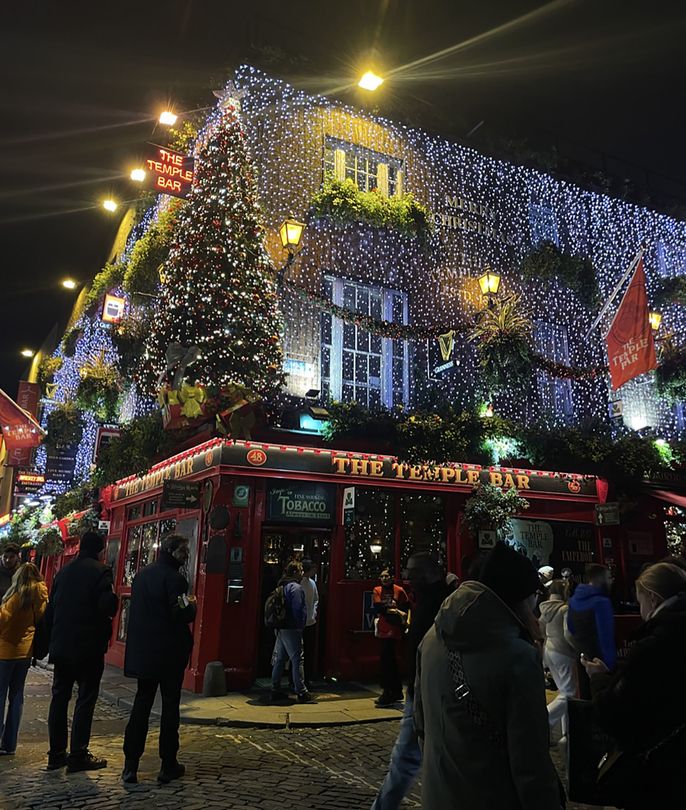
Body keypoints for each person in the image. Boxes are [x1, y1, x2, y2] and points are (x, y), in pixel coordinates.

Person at [415, 542, 562, 810]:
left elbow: (421, 723)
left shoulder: (431, 639)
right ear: (521, 598)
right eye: (533, 597)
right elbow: (530, 763)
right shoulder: (518, 657)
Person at [582, 562, 686, 810]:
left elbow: (614, 713)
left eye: (640, 602)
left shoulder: (656, 644)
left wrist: (598, 679)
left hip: (660, 774)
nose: (640, 610)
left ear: (652, 597)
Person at [371, 553, 451, 810]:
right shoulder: (433, 598)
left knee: (407, 759)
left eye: (414, 572)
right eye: (406, 571)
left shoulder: (441, 604)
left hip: (427, 692)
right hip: (422, 690)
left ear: (432, 573)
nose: (408, 578)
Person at [122, 533, 196, 785]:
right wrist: (192, 606)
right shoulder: (175, 579)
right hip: (168, 654)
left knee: (141, 706)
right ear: (172, 551)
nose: (186, 555)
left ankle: (130, 765)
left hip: (144, 653)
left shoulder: (142, 575)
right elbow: (181, 613)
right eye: (184, 551)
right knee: (169, 709)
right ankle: (168, 764)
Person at [46, 531, 118, 772]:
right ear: (100, 549)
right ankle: (78, 754)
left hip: (62, 645)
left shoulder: (63, 571)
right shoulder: (101, 571)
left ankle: (56, 754)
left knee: (59, 698)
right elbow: (106, 605)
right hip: (88, 647)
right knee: (85, 698)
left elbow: (52, 607)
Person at [0, 563, 48, 755]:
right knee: (17, 696)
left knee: (0, 695)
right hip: (25, 652)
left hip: (6, 652)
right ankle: (10, 744)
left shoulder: (15, 598)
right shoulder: (40, 596)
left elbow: (4, 622)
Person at [567, 563, 616, 698]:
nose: (611, 580)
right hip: (599, 663)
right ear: (600, 579)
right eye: (609, 577)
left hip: (581, 659)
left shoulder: (573, 600)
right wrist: (610, 670)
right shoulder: (601, 602)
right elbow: (606, 638)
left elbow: (570, 628)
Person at [540, 579, 577, 743]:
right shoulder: (564, 608)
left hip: (549, 650)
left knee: (563, 692)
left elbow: (540, 628)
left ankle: (566, 733)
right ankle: (545, 721)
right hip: (563, 652)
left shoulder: (545, 609)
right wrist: (577, 648)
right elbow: (568, 634)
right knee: (569, 693)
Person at [270, 561, 312, 704]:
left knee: (280, 659)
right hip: (292, 628)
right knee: (297, 659)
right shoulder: (296, 588)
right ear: (294, 572)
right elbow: (297, 609)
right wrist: (300, 625)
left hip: (281, 627)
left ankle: (275, 689)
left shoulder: (283, 585)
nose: (302, 573)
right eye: (300, 571)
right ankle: (302, 691)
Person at [372, 569, 409, 708]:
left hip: (394, 629)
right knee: (388, 659)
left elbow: (407, 606)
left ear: (392, 577)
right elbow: (379, 608)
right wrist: (397, 611)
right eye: (381, 576)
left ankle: (389, 691)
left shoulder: (399, 590)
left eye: (386, 576)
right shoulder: (377, 590)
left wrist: (403, 619)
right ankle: (395, 690)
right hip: (385, 628)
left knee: (389, 660)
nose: (384, 578)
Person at [300, 559, 319, 691]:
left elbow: (316, 599)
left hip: (310, 621)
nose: (315, 571)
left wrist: (314, 613)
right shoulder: (298, 583)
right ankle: (298, 680)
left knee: (308, 652)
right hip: (300, 622)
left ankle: (306, 679)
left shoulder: (312, 583)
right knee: (298, 654)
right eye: (313, 568)